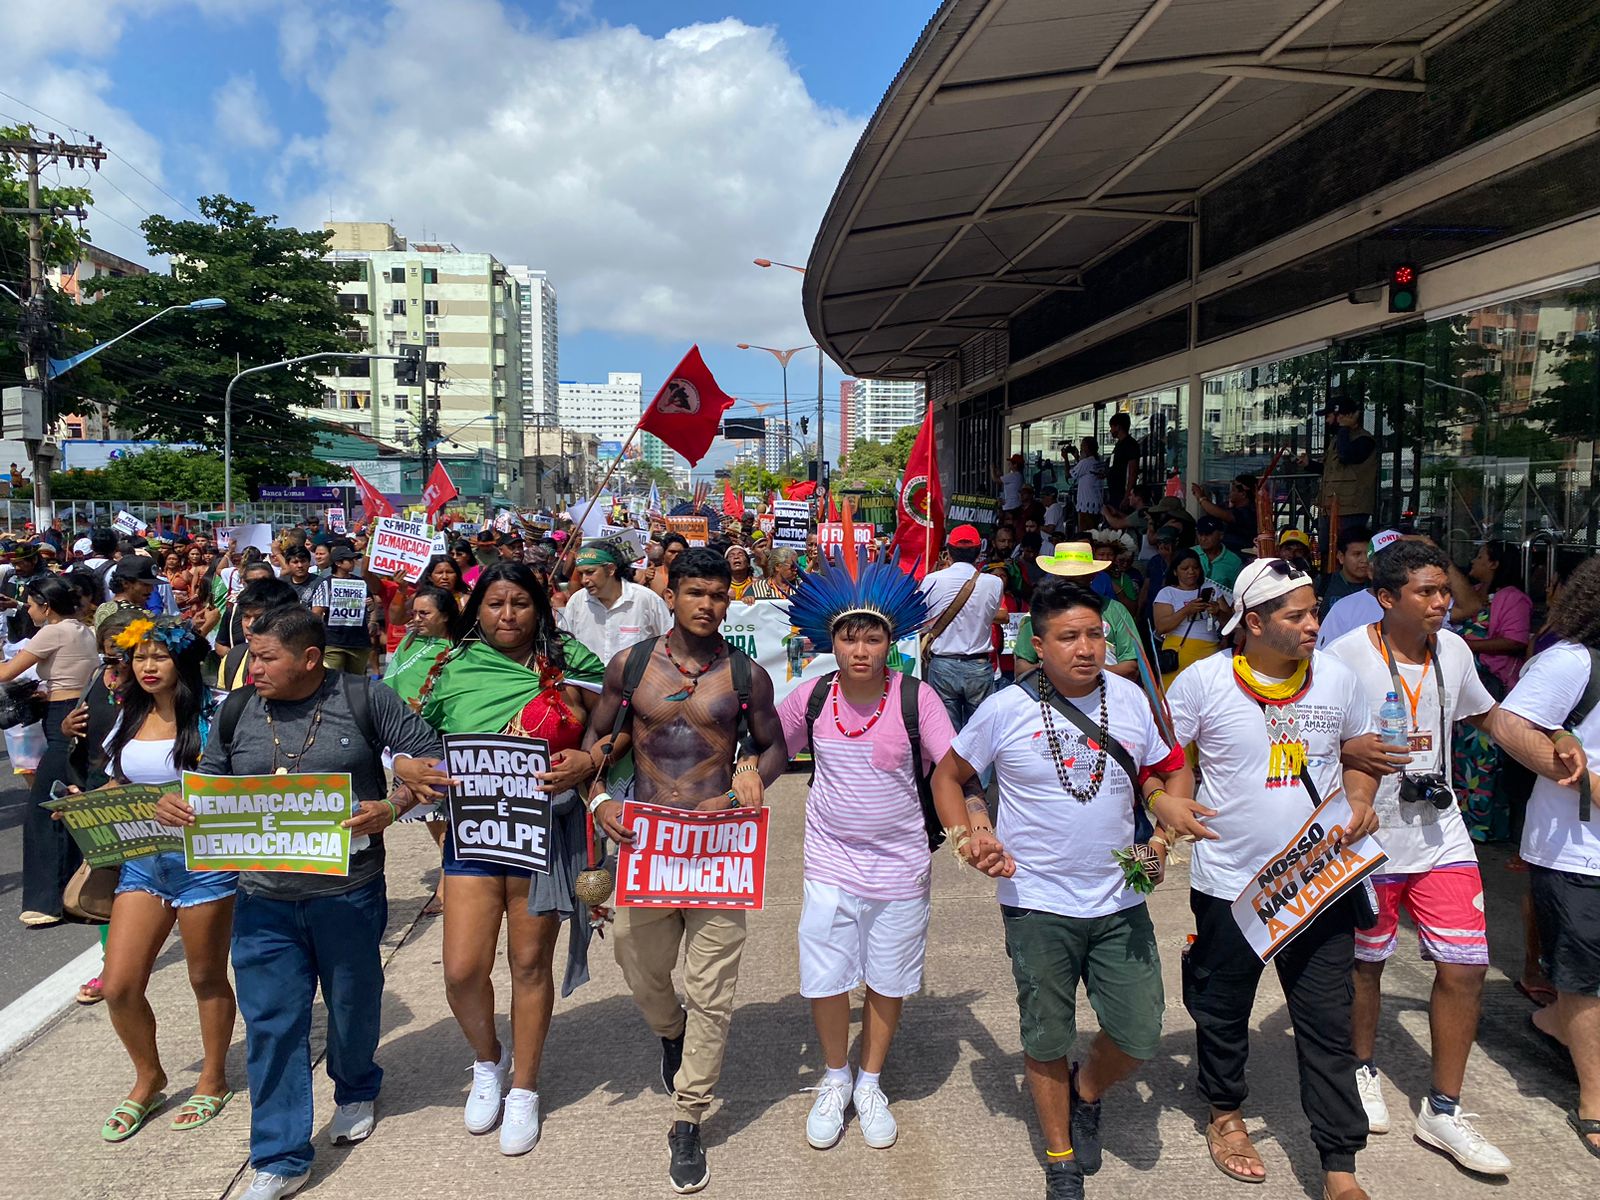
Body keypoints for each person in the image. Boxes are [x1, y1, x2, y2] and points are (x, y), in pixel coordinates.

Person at [154, 605, 451, 1200]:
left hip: (348, 895)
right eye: (247, 654)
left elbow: (435, 769)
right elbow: (211, 781)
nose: (250, 667)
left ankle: (357, 1085)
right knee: (273, 1024)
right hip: (262, 901)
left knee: (351, 1008)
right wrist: (179, 806)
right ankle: (280, 1155)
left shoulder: (369, 698)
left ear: (310, 659)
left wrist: (390, 807)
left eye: (264, 657)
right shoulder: (238, 709)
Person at [934, 578, 1191, 1200]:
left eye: (1095, 634)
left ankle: (1086, 1091)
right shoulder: (1004, 707)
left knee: (1139, 1031)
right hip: (1036, 902)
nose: (1086, 648)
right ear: (1039, 645)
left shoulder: (1128, 698)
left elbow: (1170, 767)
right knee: (1045, 1034)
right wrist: (968, 839)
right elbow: (949, 774)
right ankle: (1059, 1155)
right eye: (1068, 637)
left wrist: (1159, 840)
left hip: (1120, 896)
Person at [1162, 557, 1380, 1199]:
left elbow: (1358, 753)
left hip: (1318, 886)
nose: (1315, 623)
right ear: (1253, 623)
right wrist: (1167, 803)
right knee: (1222, 1010)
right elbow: (1164, 758)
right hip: (1232, 888)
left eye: (1314, 611)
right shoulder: (1203, 682)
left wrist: (1362, 800)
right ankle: (1225, 1115)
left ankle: (1339, 1164)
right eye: (1299, 614)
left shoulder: (1338, 678)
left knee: (1325, 1023)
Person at [586, 548, 788, 1194]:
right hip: (648, 840)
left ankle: (689, 1115)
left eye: (719, 596)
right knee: (634, 958)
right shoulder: (633, 665)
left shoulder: (745, 675)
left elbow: (776, 744)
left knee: (714, 986)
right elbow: (596, 744)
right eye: (696, 593)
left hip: (720, 842)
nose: (708, 605)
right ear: (668, 594)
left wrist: (752, 773)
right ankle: (669, 1031)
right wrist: (599, 800)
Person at [1327, 541, 1524, 1175]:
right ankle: (1361, 1069)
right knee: (1365, 967)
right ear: (1387, 599)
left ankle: (1443, 1108)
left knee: (1466, 967)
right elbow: (1316, 739)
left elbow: (1490, 718)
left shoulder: (1457, 651)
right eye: (1428, 593)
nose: (1444, 602)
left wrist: (1555, 752)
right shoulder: (1344, 658)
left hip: (1441, 834)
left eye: (1445, 590)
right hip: (1369, 837)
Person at [419, 562, 606, 1155]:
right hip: (473, 835)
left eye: (520, 603)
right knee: (462, 970)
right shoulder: (448, 667)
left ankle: (524, 1086)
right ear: (476, 609)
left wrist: (590, 759)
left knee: (529, 964)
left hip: (543, 836)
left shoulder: (571, 662)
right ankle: (488, 1061)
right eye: (495, 604)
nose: (507, 615)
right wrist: (404, 769)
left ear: (539, 608)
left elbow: (620, 723)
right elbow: (406, 737)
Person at [776, 554, 952, 1152]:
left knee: (887, 977)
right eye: (849, 637)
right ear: (832, 642)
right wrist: (742, 773)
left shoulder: (916, 698)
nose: (860, 649)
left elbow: (950, 770)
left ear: (890, 640)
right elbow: (770, 748)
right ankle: (835, 1077)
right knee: (825, 976)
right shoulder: (812, 696)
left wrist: (971, 821)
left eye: (872, 636)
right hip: (829, 860)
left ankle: (870, 1081)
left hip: (902, 865)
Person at [92, 618, 240, 1142]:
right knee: (119, 984)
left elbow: (242, 782)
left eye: (158, 656)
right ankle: (148, 1077)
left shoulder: (217, 713)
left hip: (206, 863)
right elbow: (117, 782)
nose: (147, 667)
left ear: (183, 661)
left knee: (205, 977)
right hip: (143, 865)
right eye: (138, 658)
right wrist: (84, 807)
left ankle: (213, 1077)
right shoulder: (127, 714)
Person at [1492, 556, 1600, 1160]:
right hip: (1578, 850)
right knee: (1586, 977)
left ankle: (1556, 1024)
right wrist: (1589, 783)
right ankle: (1594, 1100)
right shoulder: (1572, 663)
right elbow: (1509, 725)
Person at [11, 574, 100, 925]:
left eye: (30, 604)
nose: (28, 611)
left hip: (64, 718)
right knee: (73, 802)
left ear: (45, 605)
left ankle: (46, 902)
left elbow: (6, 673)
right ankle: (78, 893)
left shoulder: (53, 631)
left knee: (44, 811)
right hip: (81, 713)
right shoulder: (84, 629)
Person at [919, 525, 1005, 734]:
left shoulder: (931, 580)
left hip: (943, 665)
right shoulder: (994, 583)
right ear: (978, 553)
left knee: (947, 734)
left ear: (948, 551)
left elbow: (924, 620)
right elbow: (992, 615)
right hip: (978, 665)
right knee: (982, 735)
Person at [560, 541, 672, 664]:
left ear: (610, 569)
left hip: (633, 682)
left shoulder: (646, 600)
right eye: (581, 574)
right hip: (587, 681)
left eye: (590, 572)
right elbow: (565, 643)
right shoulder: (577, 602)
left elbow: (669, 643)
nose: (584, 580)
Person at [1151, 548, 1225, 688]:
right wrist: (1186, 610)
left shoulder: (1211, 588)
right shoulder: (1167, 593)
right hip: (1179, 653)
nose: (1191, 572)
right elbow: (1161, 627)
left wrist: (1218, 612)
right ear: (1175, 571)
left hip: (1210, 653)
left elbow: (1230, 623)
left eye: (1195, 567)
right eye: (1185, 568)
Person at [218, 579, 300, 691]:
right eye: (246, 617)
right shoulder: (233, 657)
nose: (250, 625)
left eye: (259, 618)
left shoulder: (302, 665)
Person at [311, 545, 375, 675]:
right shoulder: (326, 584)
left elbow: (372, 608)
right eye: (349, 560)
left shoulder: (361, 582)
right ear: (338, 563)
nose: (353, 563)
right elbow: (316, 613)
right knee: (331, 679)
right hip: (334, 642)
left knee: (357, 683)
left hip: (359, 642)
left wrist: (371, 610)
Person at [1320, 397, 1378, 538]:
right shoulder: (1338, 439)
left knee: (1346, 547)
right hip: (1331, 507)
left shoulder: (1364, 439)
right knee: (1326, 550)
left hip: (1351, 508)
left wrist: (1344, 428)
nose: (1327, 421)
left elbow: (1346, 456)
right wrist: (1308, 465)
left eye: (1329, 416)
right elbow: (1333, 471)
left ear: (1341, 416)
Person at [1191, 476, 1258, 557]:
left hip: (1240, 556)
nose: (1230, 493)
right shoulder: (1231, 508)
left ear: (1243, 494)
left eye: (1233, 490)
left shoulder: (1248, 512)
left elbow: (1223, 514)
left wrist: (1201, 498)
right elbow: (1214, 511)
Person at [1318, 527, 1373, 620]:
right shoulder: (1323, 584)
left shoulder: (1379, 586)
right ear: (1341, 557)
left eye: (1369, 554)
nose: (1364, 560)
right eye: (1357, 554)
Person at [1194, 516, 1243, 591]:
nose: (1203, 539)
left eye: (1208, 534)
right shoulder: (1190, 554)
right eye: (1200, 534)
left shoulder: (1234, 561)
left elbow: (1237, 592)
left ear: (1221, 535)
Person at [1068, 436, 1105, 533]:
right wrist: (1077, 457)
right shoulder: (1099, 460)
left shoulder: (1086, 462)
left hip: (1086, 505)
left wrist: (1065, 459)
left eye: (1082, 446)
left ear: (1087, 447)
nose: (1081, 449)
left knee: (1085, 535)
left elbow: (1069, 475)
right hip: (1097, 504)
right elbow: (1083, 471)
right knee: (1094, 533)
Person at [1105, 412, 1139, 511]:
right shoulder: (1118, 445)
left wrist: (1127, 496)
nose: (1111, 431)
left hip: (1122, 492)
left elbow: (1133, 471)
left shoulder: (1130, 444)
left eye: (1112, 427)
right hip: (1114, 492)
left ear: (1118, 427)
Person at [641, 533, 688, 598]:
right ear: (663, 553)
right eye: (672, 552)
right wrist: (645, 580)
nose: (676, 555)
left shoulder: (690, 575)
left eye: (680, 552)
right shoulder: (652, 574)